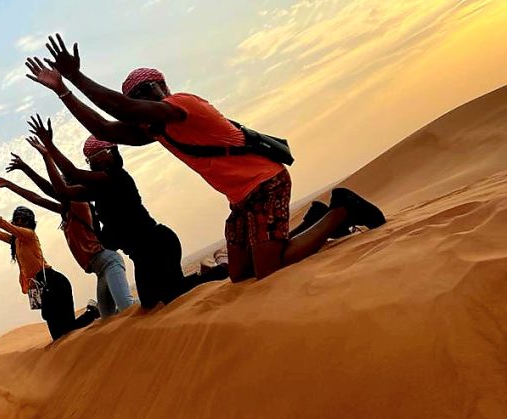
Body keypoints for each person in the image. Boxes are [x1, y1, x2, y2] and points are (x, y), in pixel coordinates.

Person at [25, 35, 386, 283]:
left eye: (145, 92)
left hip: (264, 182)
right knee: (240, 273)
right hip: (242, 199)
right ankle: (318, 220)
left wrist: (74, 76)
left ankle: (343, 210)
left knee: (269, 269)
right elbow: (106, 125)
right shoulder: (157, 129)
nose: (142, 98)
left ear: (160, 89)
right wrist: (62, 93)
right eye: (138, 95)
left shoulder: (182, 106)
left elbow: (118, 108)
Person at [24, 114, 187, 310]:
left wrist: (50, 145)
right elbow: (61, 191)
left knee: (175, 298)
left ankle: (216, 269)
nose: (90, 163)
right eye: (88, 159)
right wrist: (46, 157)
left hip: (157, 246)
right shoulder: (98, 189)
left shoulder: (116, 178)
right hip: (142, 255)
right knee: (151, 303)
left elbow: (72, 173)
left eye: (93, 157)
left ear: (109, 152)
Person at [0, 151, 135, 318]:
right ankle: (95, 310)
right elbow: (37, 199)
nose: (61, 190)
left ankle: (161, 304)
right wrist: (12, 182)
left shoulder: (79, 204)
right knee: (108, 316)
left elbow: (47, 192)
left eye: (64, 187)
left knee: (127, 308)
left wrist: (39, 161)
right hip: (99, 269)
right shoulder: (66, 211)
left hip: (108, 262)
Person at [0, 191, 98, 341]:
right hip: (43, 287)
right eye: (17, 219)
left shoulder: (29, 235)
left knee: (67, 331)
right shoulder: (17, 241)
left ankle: (92, 312)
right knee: (59, 336)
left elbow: (0, 222)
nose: (19, 222)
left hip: (55, 283)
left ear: (29, 223)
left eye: (23, 220)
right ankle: (92, 312)